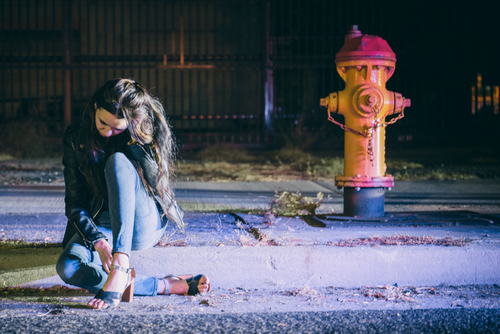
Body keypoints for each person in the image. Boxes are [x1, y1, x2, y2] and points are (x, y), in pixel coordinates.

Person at [56, 78, 209, 309]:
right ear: (95, 107)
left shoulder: (140, 133)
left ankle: (120, 266)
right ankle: (163, 286)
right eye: (102, 124)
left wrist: (136, 136)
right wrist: (96, 239)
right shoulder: (75, 137)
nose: (108, 133)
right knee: (67, 266)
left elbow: (154, 181)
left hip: (141, 222)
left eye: (117, 128)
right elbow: (75, 202)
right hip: (102, 224)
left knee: (117, 161)